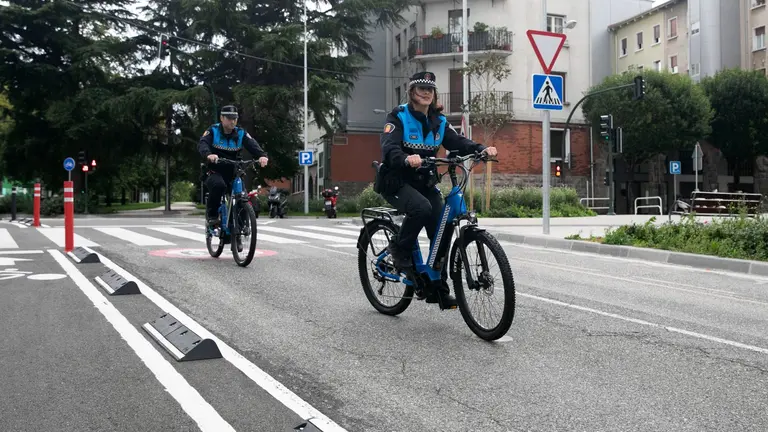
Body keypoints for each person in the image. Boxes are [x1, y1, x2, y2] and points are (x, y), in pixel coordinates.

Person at [378, 71, 498, 308]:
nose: (426, 93)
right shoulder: (398, 117)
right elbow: (389, 147)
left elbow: (457, 141)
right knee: (421, 208)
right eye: (421, 89)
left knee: (441, 231)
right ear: (412, 93)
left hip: (424, 182)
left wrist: (481, 149)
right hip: (396, 181)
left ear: (434, 95)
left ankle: (438, 290)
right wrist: (405, 158)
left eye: (430, 90)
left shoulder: (439, 122)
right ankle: (399, 250)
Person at [198, 105, 269, 228]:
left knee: (242, 197)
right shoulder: (213, 131)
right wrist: (209, 154)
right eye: (229, 118)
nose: (233, 121)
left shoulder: (241, 133)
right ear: (222, 118)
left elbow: (252, 145)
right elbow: (203, 144)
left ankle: (239, 228)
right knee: (218, 185)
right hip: (215, 170)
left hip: (233, 171)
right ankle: (212, 216)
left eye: (235, 118)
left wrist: (262, 155)